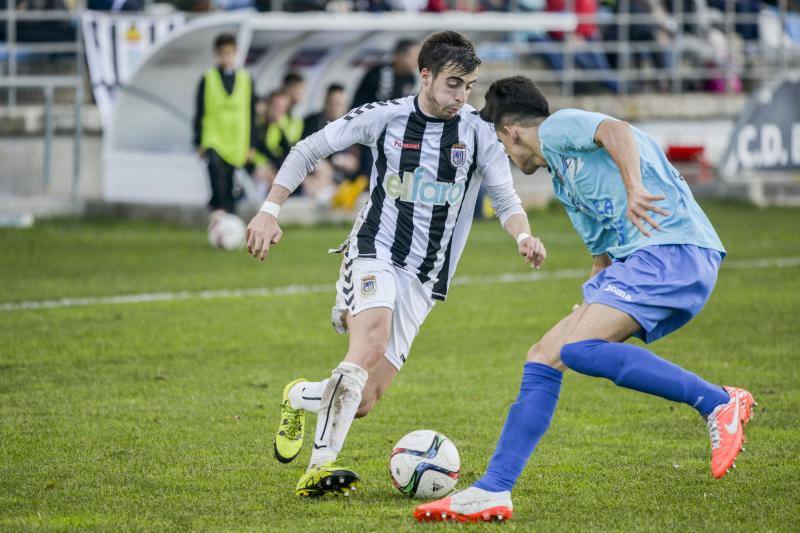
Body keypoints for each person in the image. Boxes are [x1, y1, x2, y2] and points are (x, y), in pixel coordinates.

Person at [414, 76, 756, 523]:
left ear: (511, 131)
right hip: (644, 262)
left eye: (499, 139)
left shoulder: (558, 129)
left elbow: (617, 131)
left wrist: (634, 187)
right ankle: (493, 490)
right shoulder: (563, 178)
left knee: (581, 350)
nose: (504, 152)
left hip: (674, 250)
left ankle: (717, 401)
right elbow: (602, 258)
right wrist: (591, 304)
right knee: (543, 355)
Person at [245, 32, 546, 498]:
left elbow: (505, 199)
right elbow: (308, 150)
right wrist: (270, 209)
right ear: (424, 76)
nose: (461, 97)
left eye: (468, 86)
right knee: (369, 343)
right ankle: (319, 469)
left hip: (425, 277)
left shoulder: (477, 133)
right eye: (452, 84)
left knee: (363, 400)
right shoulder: (384, 118)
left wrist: (524, 235)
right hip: (375, 249)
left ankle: (298, 395)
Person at [193, 33, 257, 215]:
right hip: (214, 138)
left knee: (230, 184)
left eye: (229, 53)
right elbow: (200, 111)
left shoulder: (246, 79)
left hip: (237, 141)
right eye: (222, 53)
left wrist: (252, 144)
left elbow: (252, 114)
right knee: (215, 172)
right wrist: (198, 141)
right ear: (216, 54)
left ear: (236, 53)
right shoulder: (208, 78)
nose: (226, 57)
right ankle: (219, 212)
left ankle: (228, 217)